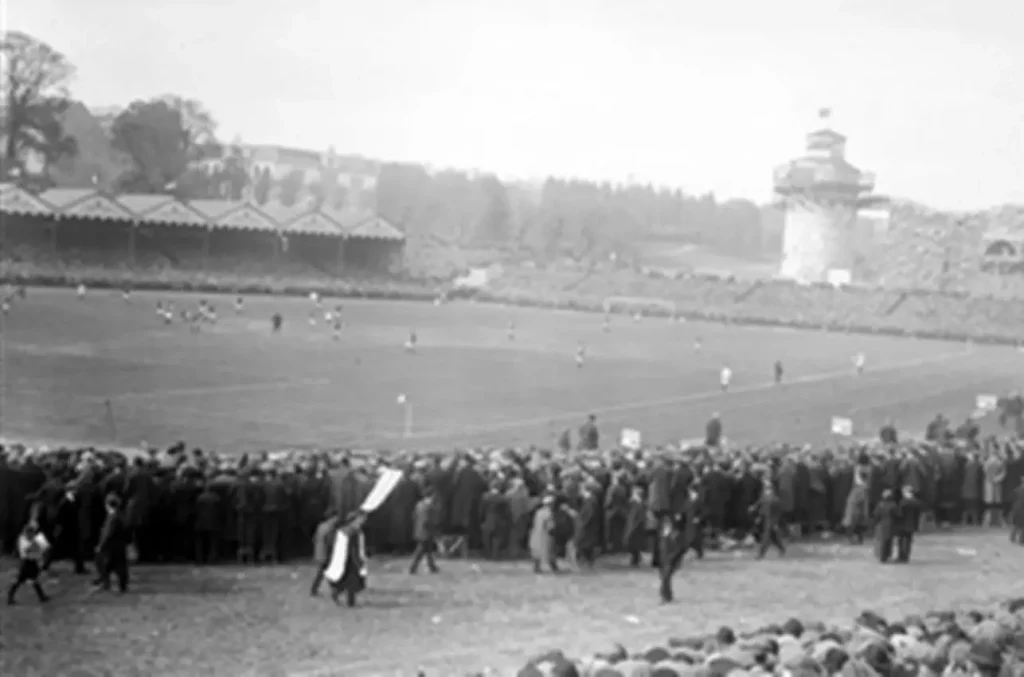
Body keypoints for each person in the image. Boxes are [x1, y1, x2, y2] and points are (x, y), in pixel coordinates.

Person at [329, 511, 368, 607]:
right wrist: (359, 561)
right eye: (359, 519)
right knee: (352, 582)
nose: (361, 521)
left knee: (346, 581)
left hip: (346, 560)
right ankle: (350, 602)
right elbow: (354, 549)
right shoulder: (352, 532)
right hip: (350, 561)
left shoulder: (345, 530)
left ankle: (338, 594)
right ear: (353, 521)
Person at [94, 493, 130, 594]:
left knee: (109, 565)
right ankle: (107, 582)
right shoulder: (118, 515)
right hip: (118, 546)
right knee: (113, 566)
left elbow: (108, 533)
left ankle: (112, 584)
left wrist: (100, 546)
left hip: (112, 547)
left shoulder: (113, 517)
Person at [7, 521, 50, 605]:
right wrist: (35, 543)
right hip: (26, 563)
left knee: (34, 580)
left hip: (32, 563)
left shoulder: (32, 539)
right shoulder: (22, 540)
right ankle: (10, 596)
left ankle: (42, 597)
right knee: (20, 580)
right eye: (30, 533)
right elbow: (27, 551)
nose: (32, 535)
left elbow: (40, 550)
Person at [409, 490, 441, 574]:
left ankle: (432, 566)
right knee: (421, 550)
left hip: (419, 530)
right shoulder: (428, 507)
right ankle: (413, 567)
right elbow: (428, 521)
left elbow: (414, 516)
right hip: (426, 532)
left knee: (428, 550)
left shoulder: (419, 505)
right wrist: (434, 532)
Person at [310, 510, 340, 597]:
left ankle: (315, 589)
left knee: (322, 572)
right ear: (332, 518)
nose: (337, 519)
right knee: (328, 572)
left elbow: (315, 538)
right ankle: (334, 590)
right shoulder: (330, 528)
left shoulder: (321, 526)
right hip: (326, 554)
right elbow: (330, 542)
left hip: (319, 553)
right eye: (335, 517)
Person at [873, 489, 899, 563]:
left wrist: (875, 523)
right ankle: (888, 555)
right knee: (889, 541)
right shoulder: (893, 504)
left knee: (882, 541)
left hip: (881, 524)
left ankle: (882, 556)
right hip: (891, 524)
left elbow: (876, 515)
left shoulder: (880, 504)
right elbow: (897, 515)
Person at [895, 486, 920, 563]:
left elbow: (900, 514)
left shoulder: (903, 502)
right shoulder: (916, 502)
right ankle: (906, 556)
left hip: (902, 524)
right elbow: (917, 515)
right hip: (912, 524)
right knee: (908, 541)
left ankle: (901, 556)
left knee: (901, 541)